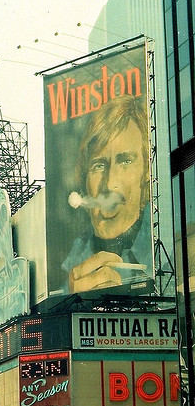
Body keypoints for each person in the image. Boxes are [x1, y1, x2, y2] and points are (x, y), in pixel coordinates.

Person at [62, 95, 151, 294]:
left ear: (146, 173)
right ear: (84, 181)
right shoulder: (67, 278)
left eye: (125, 161)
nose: (109, 184)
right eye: (98, 165)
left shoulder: (173, 254)